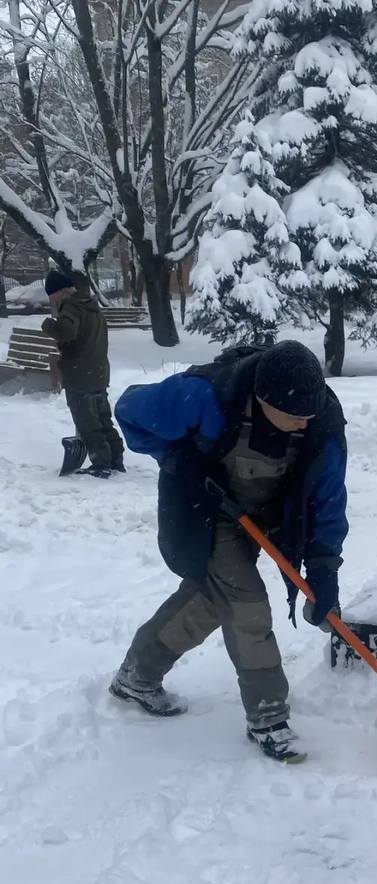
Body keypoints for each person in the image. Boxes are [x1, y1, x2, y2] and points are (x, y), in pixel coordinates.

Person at [109, 340, 347, 763]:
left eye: (309, 414)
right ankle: (268, 716)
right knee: (246, 605)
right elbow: (129, 410)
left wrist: (324, 569)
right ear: (262, 397)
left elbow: (327, 499)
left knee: (211, 599)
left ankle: (137, 674)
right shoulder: (209, 393)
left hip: (269, 515)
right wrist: (179, 459)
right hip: (210, 513)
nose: (303, 422)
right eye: (294, 414)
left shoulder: (322, 420)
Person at [41, 269, 124, 478]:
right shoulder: (91, 305)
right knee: (103, 419)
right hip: (98, 371)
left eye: (52, 295)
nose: (52, 299)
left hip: (80, 375)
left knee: (87, 422)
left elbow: (66, 332)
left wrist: (49, 326)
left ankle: (101, 463)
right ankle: (116, 459)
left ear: (60, 291)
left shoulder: (71, 307)